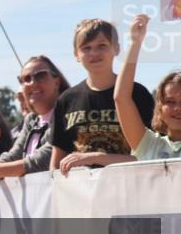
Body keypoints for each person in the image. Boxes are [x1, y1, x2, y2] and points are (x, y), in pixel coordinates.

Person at [52, 18, 155, 174]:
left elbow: (152, 158)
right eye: (86, 48)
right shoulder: (66, 100)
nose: (94, 53)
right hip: (82, 194)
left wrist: (97, 158)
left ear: (116, 48)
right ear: (76, 54)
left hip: (129, 188)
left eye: (102, 46)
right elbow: (56, 164)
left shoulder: (138, 94)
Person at [0, 55, 70, 185]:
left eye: (40, 75)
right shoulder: (31, 120)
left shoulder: (67, 114)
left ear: (57, 82)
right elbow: (13, 155)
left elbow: (43, 161)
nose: (32, 82)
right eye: (26, 79)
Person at [113, 14, 181, 160]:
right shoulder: (148, 144)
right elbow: (121, 98)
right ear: (160, 108)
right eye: (170, 101)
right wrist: (135, 43)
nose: (178, 108)